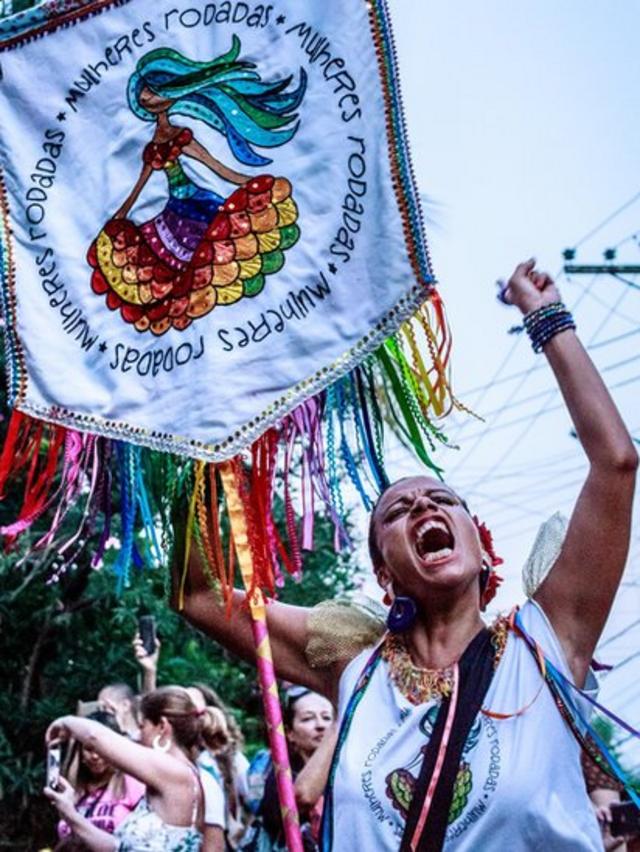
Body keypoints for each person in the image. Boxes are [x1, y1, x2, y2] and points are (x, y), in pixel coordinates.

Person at [176, 259, 638, 850]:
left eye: (443, 499)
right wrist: (193, 435)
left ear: (481, 548)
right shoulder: (353, 666)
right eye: (398, 511)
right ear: (383, 573)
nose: (424, 507)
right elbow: (196, 594)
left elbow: (616, 464)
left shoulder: (548, 642)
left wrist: (545, 316)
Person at [87, 38, 306, 336]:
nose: (147, 98)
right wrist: (120, 216)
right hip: (173, 209)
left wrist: (247, 183)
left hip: (197, 206)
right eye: (144, 93)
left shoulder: (182, 137)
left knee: (199, 265)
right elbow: (142, 184)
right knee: (162, 269)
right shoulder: (153, 143)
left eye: (152, 91)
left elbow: (214, 166)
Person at [45, 686, 229, 851]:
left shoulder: (174, 772)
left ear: (162, 727)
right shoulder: (173, 776)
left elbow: (94, 736)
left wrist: (67, 722)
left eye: (142, 726)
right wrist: (69, 813)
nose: (139, 735)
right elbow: (119, 848)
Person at [245, 687, 336, 851]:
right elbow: (300, 799)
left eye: (327, 717)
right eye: (308, 718)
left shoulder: (346, 773)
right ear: (289, 733)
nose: (320, 725)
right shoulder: (280, 776)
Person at [55, 711, 144, 845]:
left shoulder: (131, 782)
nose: (95, 756)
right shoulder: (72, 789)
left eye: (101, 749)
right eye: (89, 749)